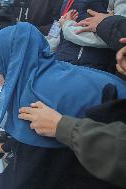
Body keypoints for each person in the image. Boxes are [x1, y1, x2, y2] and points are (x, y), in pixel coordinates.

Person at [0, 22, 126, 189]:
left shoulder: (36, 94)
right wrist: (9, 147)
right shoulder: (48, 72)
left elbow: (31, 174)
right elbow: (35, 141)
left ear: (12, 61)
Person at [18, 15, 126, 189]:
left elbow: (83, 33)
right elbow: (56, 29)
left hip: (84, 71)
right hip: (63, 63)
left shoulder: (43, 87)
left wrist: (66, 26)